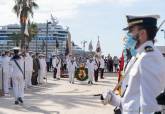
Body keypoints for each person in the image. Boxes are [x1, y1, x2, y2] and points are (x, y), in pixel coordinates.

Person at [101, 15, 165, 114]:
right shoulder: (137, 58)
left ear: (142, 33)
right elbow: (133, 100)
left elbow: (150, 106)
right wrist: (113, 99)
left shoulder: (149, 57)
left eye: (132, 31)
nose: (129, 35)